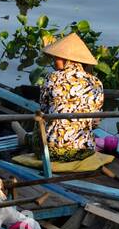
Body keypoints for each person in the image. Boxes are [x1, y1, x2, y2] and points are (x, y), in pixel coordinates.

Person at [38, 32, 106, 161]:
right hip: (85, 150)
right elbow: (96, 122)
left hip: (52, 150)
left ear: (67, 59)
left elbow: (44, 110)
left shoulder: (52, 78)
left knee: (38, 125)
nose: (54, 59)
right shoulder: (96, 82)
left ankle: (22, 135)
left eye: (57, 57)